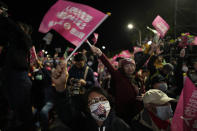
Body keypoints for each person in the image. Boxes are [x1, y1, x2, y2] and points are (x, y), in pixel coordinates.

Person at [51, 62, 131, 131]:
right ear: (88, 108)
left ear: (109, 103)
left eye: (102, 99)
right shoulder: (82, 124)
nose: (99, 104)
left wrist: (85, 83)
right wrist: (60, 87)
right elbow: (67, 114)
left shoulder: (121, 126)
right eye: (93, 101)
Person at [90, 45, 155, 124]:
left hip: (135, 113)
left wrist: (142, 97)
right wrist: (100, 54)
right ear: (122, 68)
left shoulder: (136, 78)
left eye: (132, 66)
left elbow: (141, 62)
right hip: (122, 114)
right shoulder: (119, 77)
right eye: (127, 66)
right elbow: (109, 65)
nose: (130, 68)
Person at [0, 1, 34, 130]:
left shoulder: (24, 40)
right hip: (7, 75)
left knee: (22, 112)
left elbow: (14, 29)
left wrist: (3, 15)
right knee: (10, 109)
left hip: (19, 78)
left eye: (21, 28)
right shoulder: (10, 43)